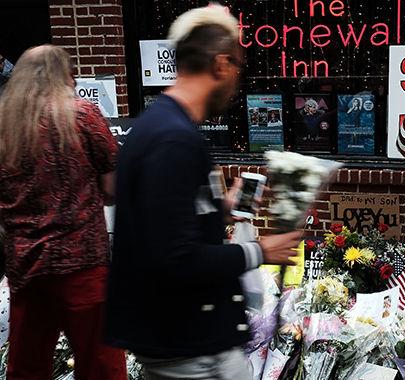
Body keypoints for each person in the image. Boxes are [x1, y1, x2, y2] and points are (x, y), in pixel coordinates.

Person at [104, 6, 301, 380]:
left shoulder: (160, 127)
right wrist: (260, 251)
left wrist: (220, 211)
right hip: (191, 350)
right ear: (221, 64)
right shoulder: (174, 140)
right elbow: (175, 259)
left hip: (181, 343)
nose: (236, 82)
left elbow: (165, 223)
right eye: (238, 68)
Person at [0, 45, 127, 379]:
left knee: (27, 367)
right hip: (82, 264)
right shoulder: (81, 115)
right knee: (101, 365)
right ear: (65, 75)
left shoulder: (4, 126)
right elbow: (115, 187)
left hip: (26, 267)